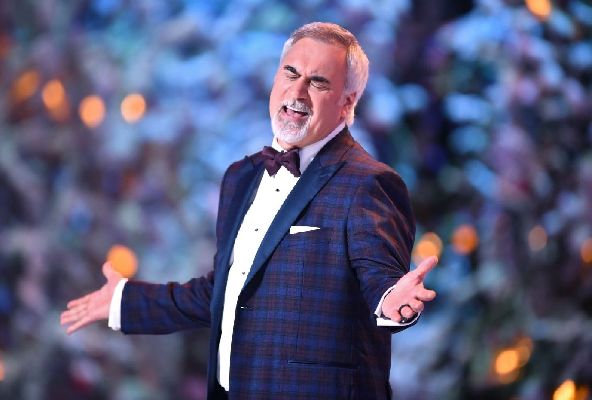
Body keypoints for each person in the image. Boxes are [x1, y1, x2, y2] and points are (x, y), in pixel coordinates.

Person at [61, 22, 438, 399]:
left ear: (347, 101)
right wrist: (125, 301)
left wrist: (393, 302)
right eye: (291, 73)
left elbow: (380, 280)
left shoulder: (368, 184)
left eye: (318, 82)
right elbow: (223, 292)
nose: (297, 91)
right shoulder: (241, 177)